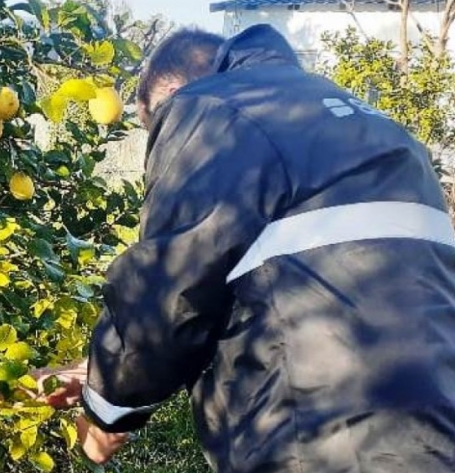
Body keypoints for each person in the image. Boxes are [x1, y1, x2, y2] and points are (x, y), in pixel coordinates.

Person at [33, 24, 455, 472]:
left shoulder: (210, 110)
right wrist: (93, 370)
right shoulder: (383, 133)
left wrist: (104, 410)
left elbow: (169, 291)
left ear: (169, 96)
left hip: (317, 439)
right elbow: (291, 282)